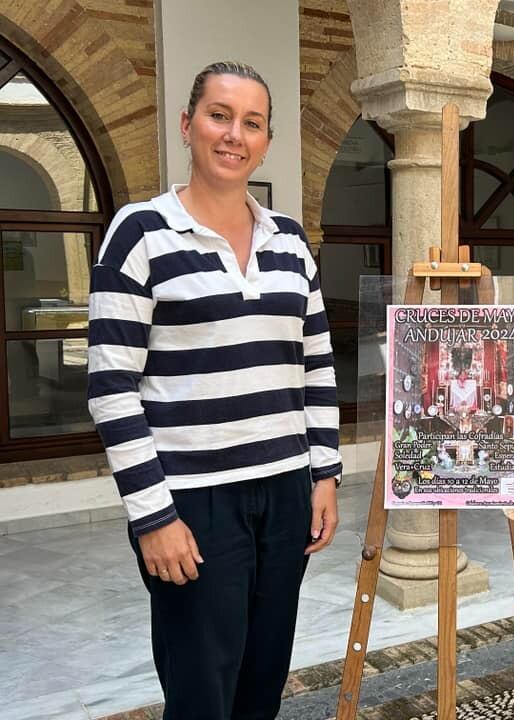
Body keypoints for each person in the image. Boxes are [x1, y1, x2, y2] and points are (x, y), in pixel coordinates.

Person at [87, 61, 341, 720]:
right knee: (202, 691)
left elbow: (315, 363)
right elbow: (111, 385)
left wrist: (325, 476)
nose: (234, 135)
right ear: (188, 124)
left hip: (286, 493)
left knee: (262, 681)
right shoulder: (140, 233)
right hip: (193, 504)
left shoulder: (290, 242)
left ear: (266, 140)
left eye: (251, 123)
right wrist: (153, 517)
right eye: (219, 116)